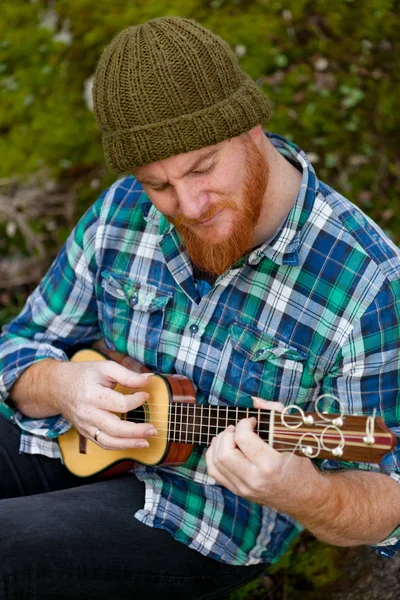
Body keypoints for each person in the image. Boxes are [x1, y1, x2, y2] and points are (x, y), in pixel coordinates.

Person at [0, 16, 399, 600]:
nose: (187, 204)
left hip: (205, 519)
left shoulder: (368, 283)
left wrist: (304, 492)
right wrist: (59, 384)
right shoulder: (122, 211)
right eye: (158, 184)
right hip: (78, 442)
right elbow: (21, 339)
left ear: (251, 126)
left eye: (203, 167)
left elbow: (388, 498)